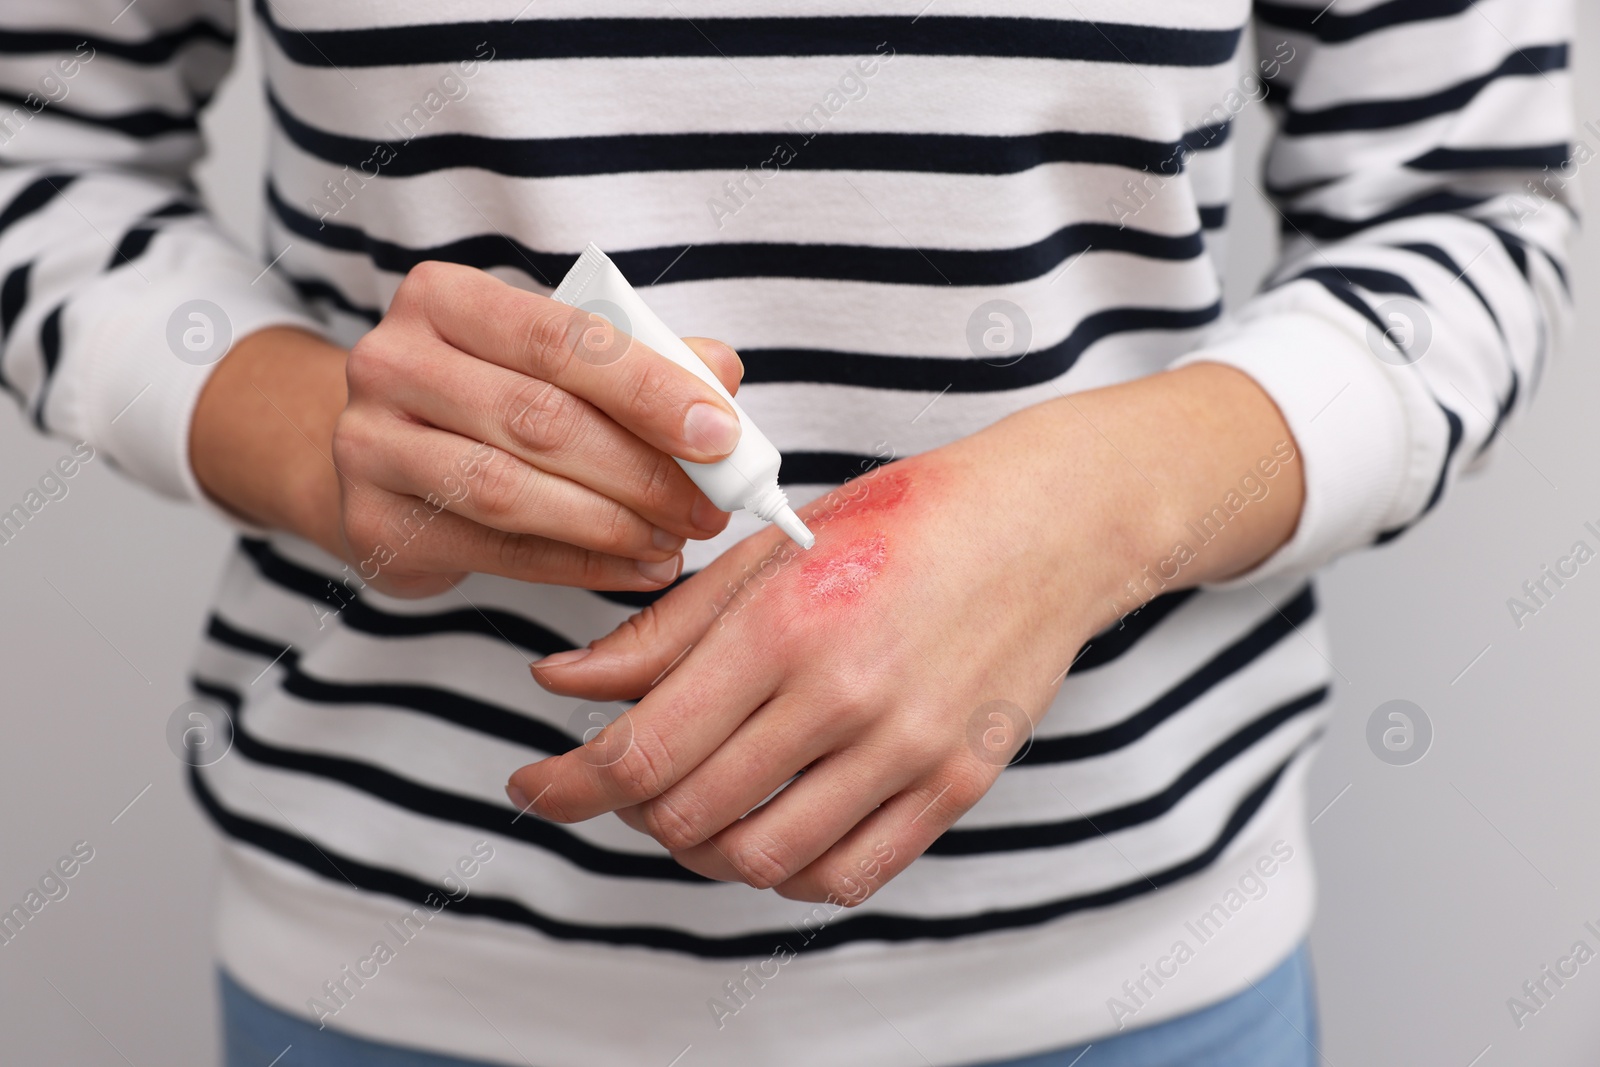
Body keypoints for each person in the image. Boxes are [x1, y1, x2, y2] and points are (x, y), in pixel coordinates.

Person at [0, 1, 1575, 1065]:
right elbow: (38, 138)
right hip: (398, 982)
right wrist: (313, 440)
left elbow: (1462, 205)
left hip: (1134, 992)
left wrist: (1095, 512)